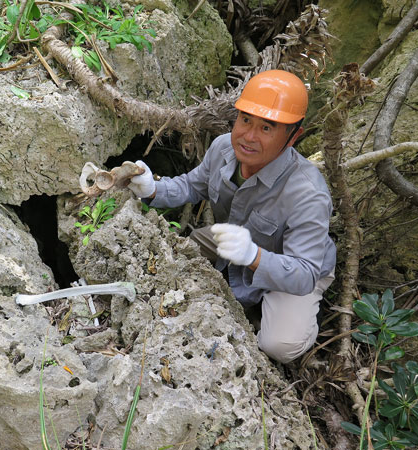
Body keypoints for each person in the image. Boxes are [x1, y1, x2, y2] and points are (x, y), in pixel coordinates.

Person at [127, 69, 336, 364]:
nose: (248, 136)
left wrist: (254, 256)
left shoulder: (308, 193)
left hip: (296, 267)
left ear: (293, 136)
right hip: (233, 238)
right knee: (178, 255)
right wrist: (152, 189)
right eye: (246, 119)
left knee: (279, 345)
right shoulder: (224, 147)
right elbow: (191, 185)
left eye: (267, 128)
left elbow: (304, 273)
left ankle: (296, 312)